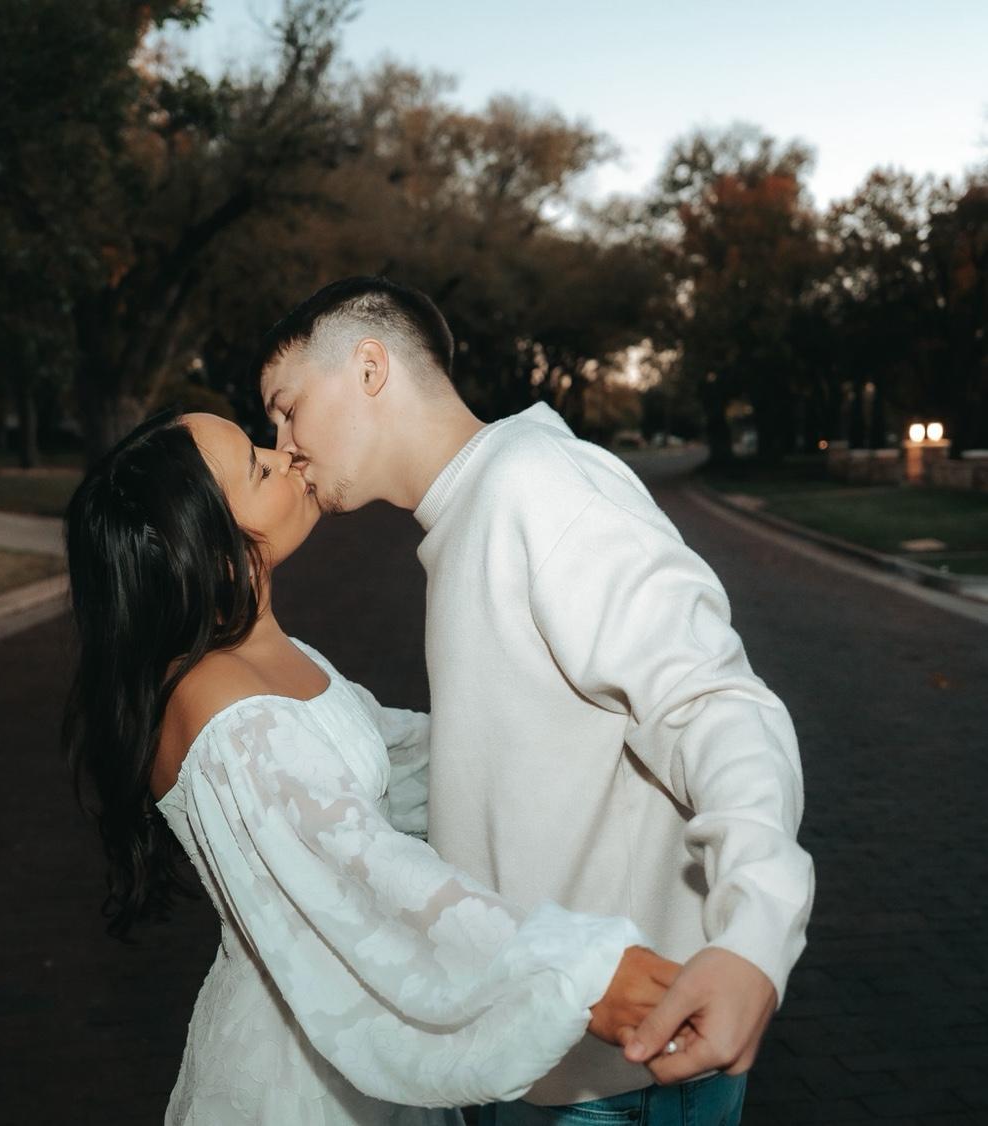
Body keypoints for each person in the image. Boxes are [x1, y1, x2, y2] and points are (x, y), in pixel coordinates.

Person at [255, 277, 817, 1125]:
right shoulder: (470, 510)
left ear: (369, 368)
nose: (284, 445)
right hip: (531, 1062)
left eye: (288, 408)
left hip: (621, 1080)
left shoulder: (538, 484)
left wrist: (754, 936)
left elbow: (713, 701)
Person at [63, 408, 687, 1126]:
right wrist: (575, 970)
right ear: (211, 550)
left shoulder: (264, 658)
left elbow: (402, 762)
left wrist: (586, 729)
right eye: (259, 468)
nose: (287, 456)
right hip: (302, 1081)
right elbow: (369, 875)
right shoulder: (231, 715)